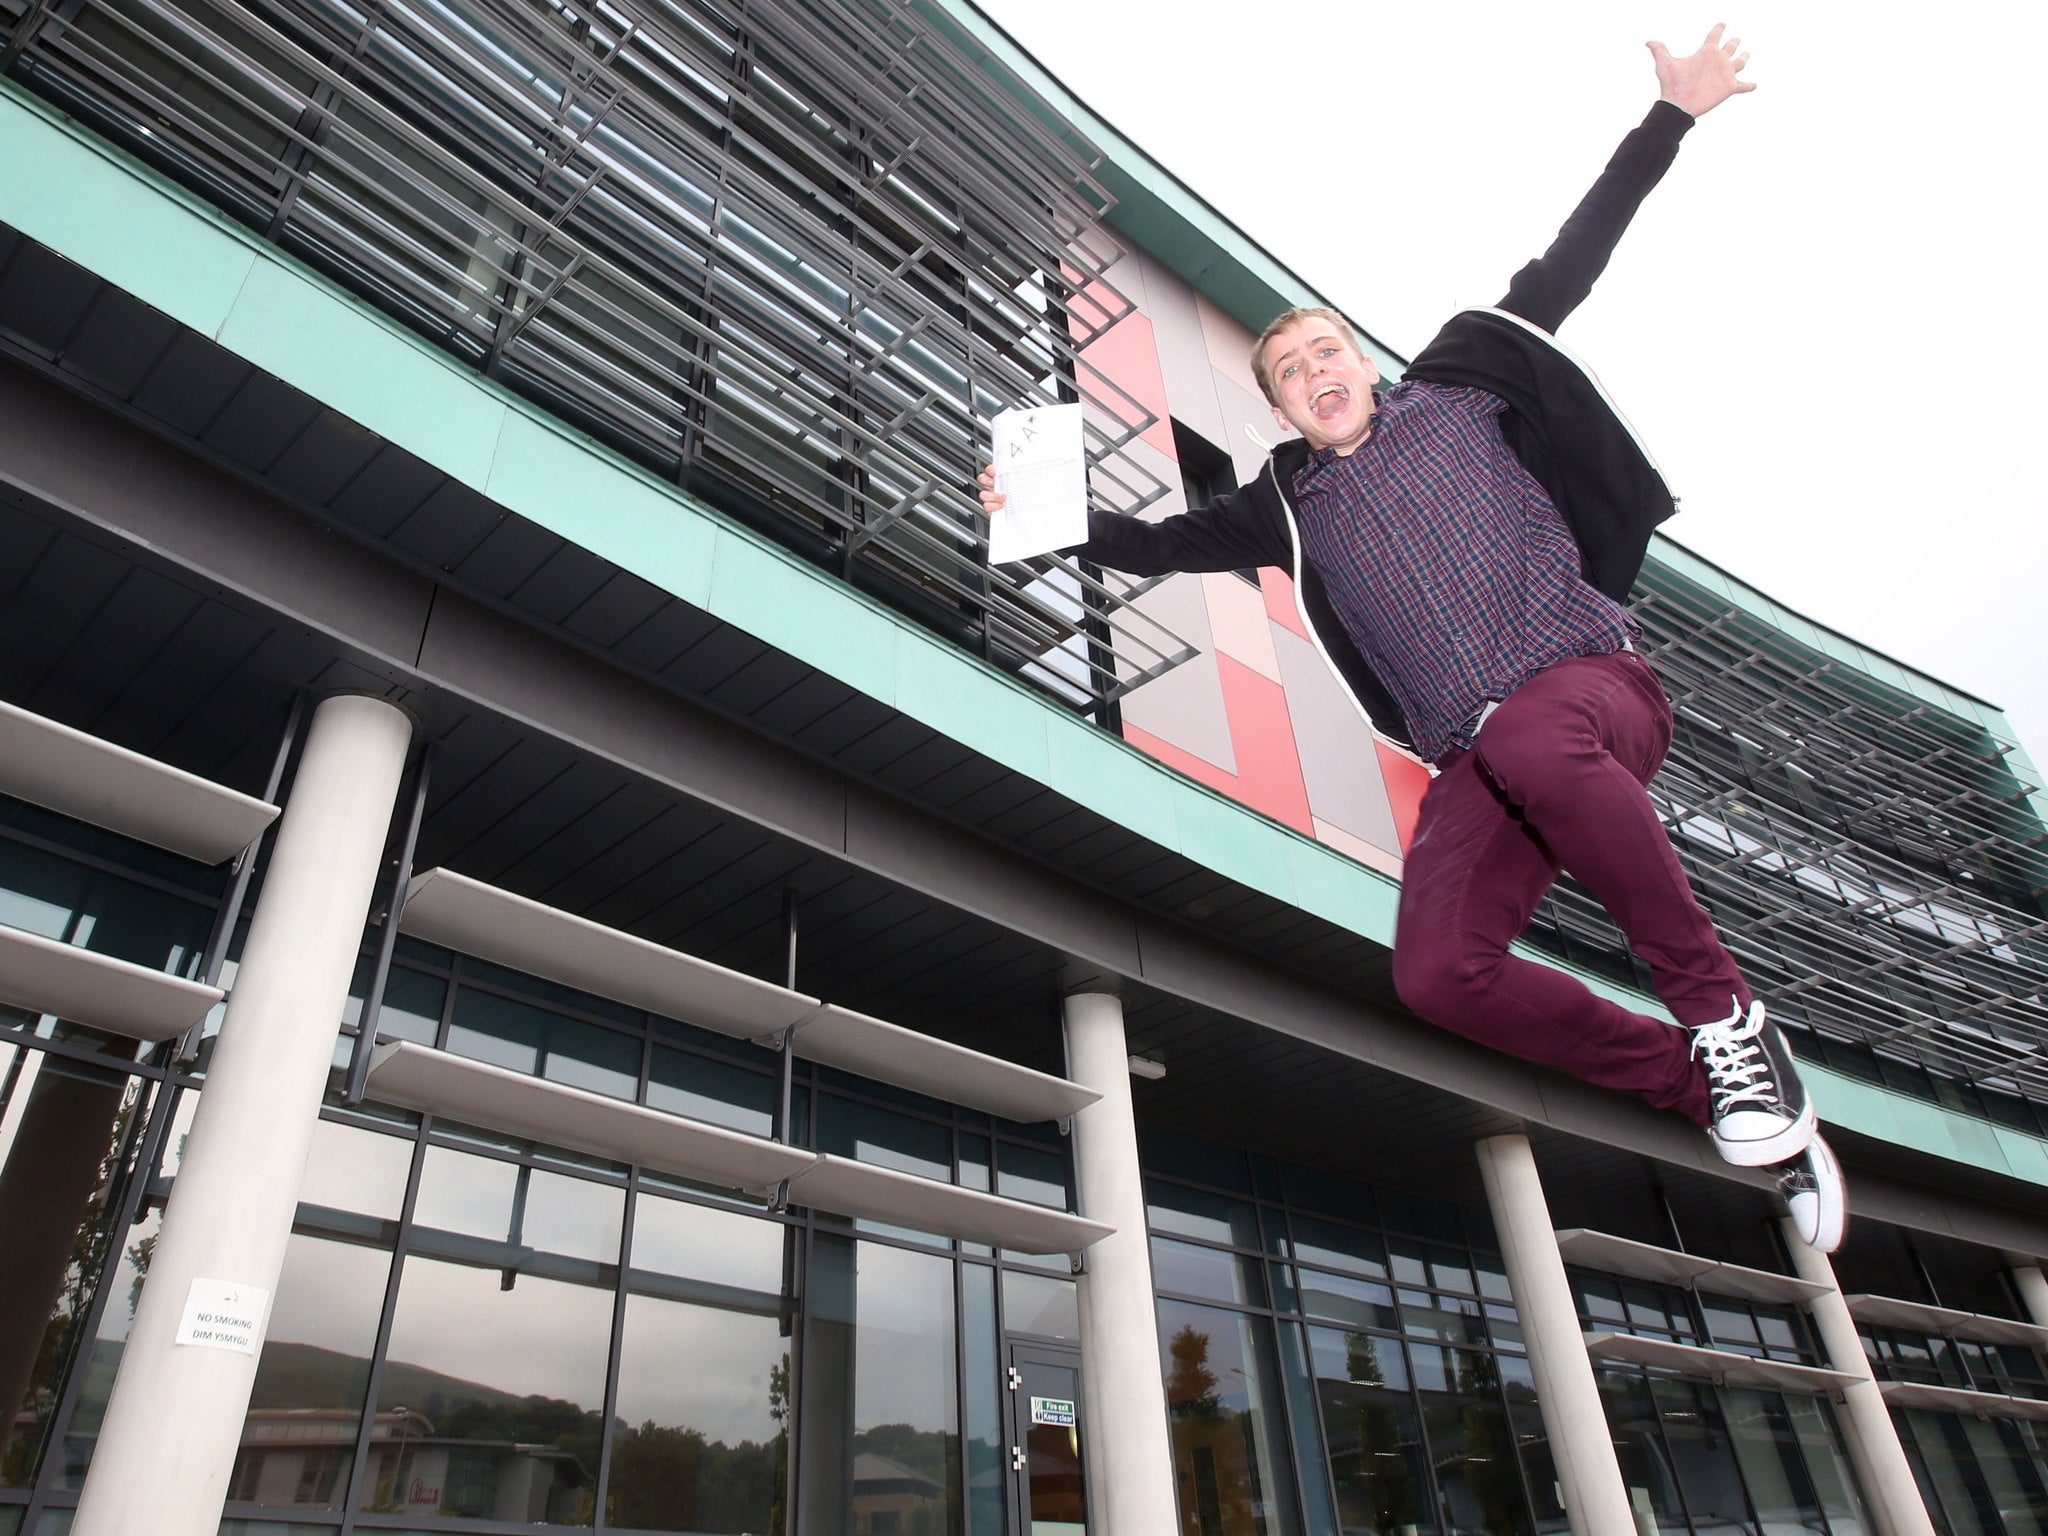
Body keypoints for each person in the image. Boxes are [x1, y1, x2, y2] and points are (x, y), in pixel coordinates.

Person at [979, 27, 1846, 1252]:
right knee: (1437, 973)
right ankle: (1710, 1092)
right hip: (1476, 767)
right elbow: (1157, 544)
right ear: (1276, 409)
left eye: (1325, 349)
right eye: (1286, 371)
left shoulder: (1457, 390)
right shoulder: (1281, 508)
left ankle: (1724, 1020)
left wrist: (1671, 119)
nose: (1311, 371)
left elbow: (1572, 257)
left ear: (1362, 366)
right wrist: (1037, 515)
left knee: (1544, 745)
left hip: (1589, 688)